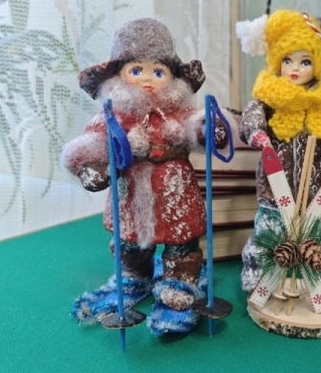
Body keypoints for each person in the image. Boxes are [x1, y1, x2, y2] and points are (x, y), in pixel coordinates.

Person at [61, 18, 233, 335]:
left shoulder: (178, 111)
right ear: (120, 74)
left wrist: (210, 130)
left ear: (171, 76)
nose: (148, 79)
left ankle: (180, 280)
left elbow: (197, 126)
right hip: (130, 194)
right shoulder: (112, 115)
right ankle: (134, 275)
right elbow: (91, 144)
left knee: (182, 243)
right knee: (130, 243)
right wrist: (90, 166)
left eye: (158, 71)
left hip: (176, 195)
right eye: (137, 70)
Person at [236, 10, 321, 294]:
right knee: (267, 235)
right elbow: (249, 116)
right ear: (277, 62)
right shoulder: (267, 101)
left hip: (311, 199)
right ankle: (256, 268)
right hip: (273, 195)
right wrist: (257, 134)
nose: (295, 68)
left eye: (305, 61)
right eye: (288, 60)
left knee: (316, 237)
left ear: (316, 66)